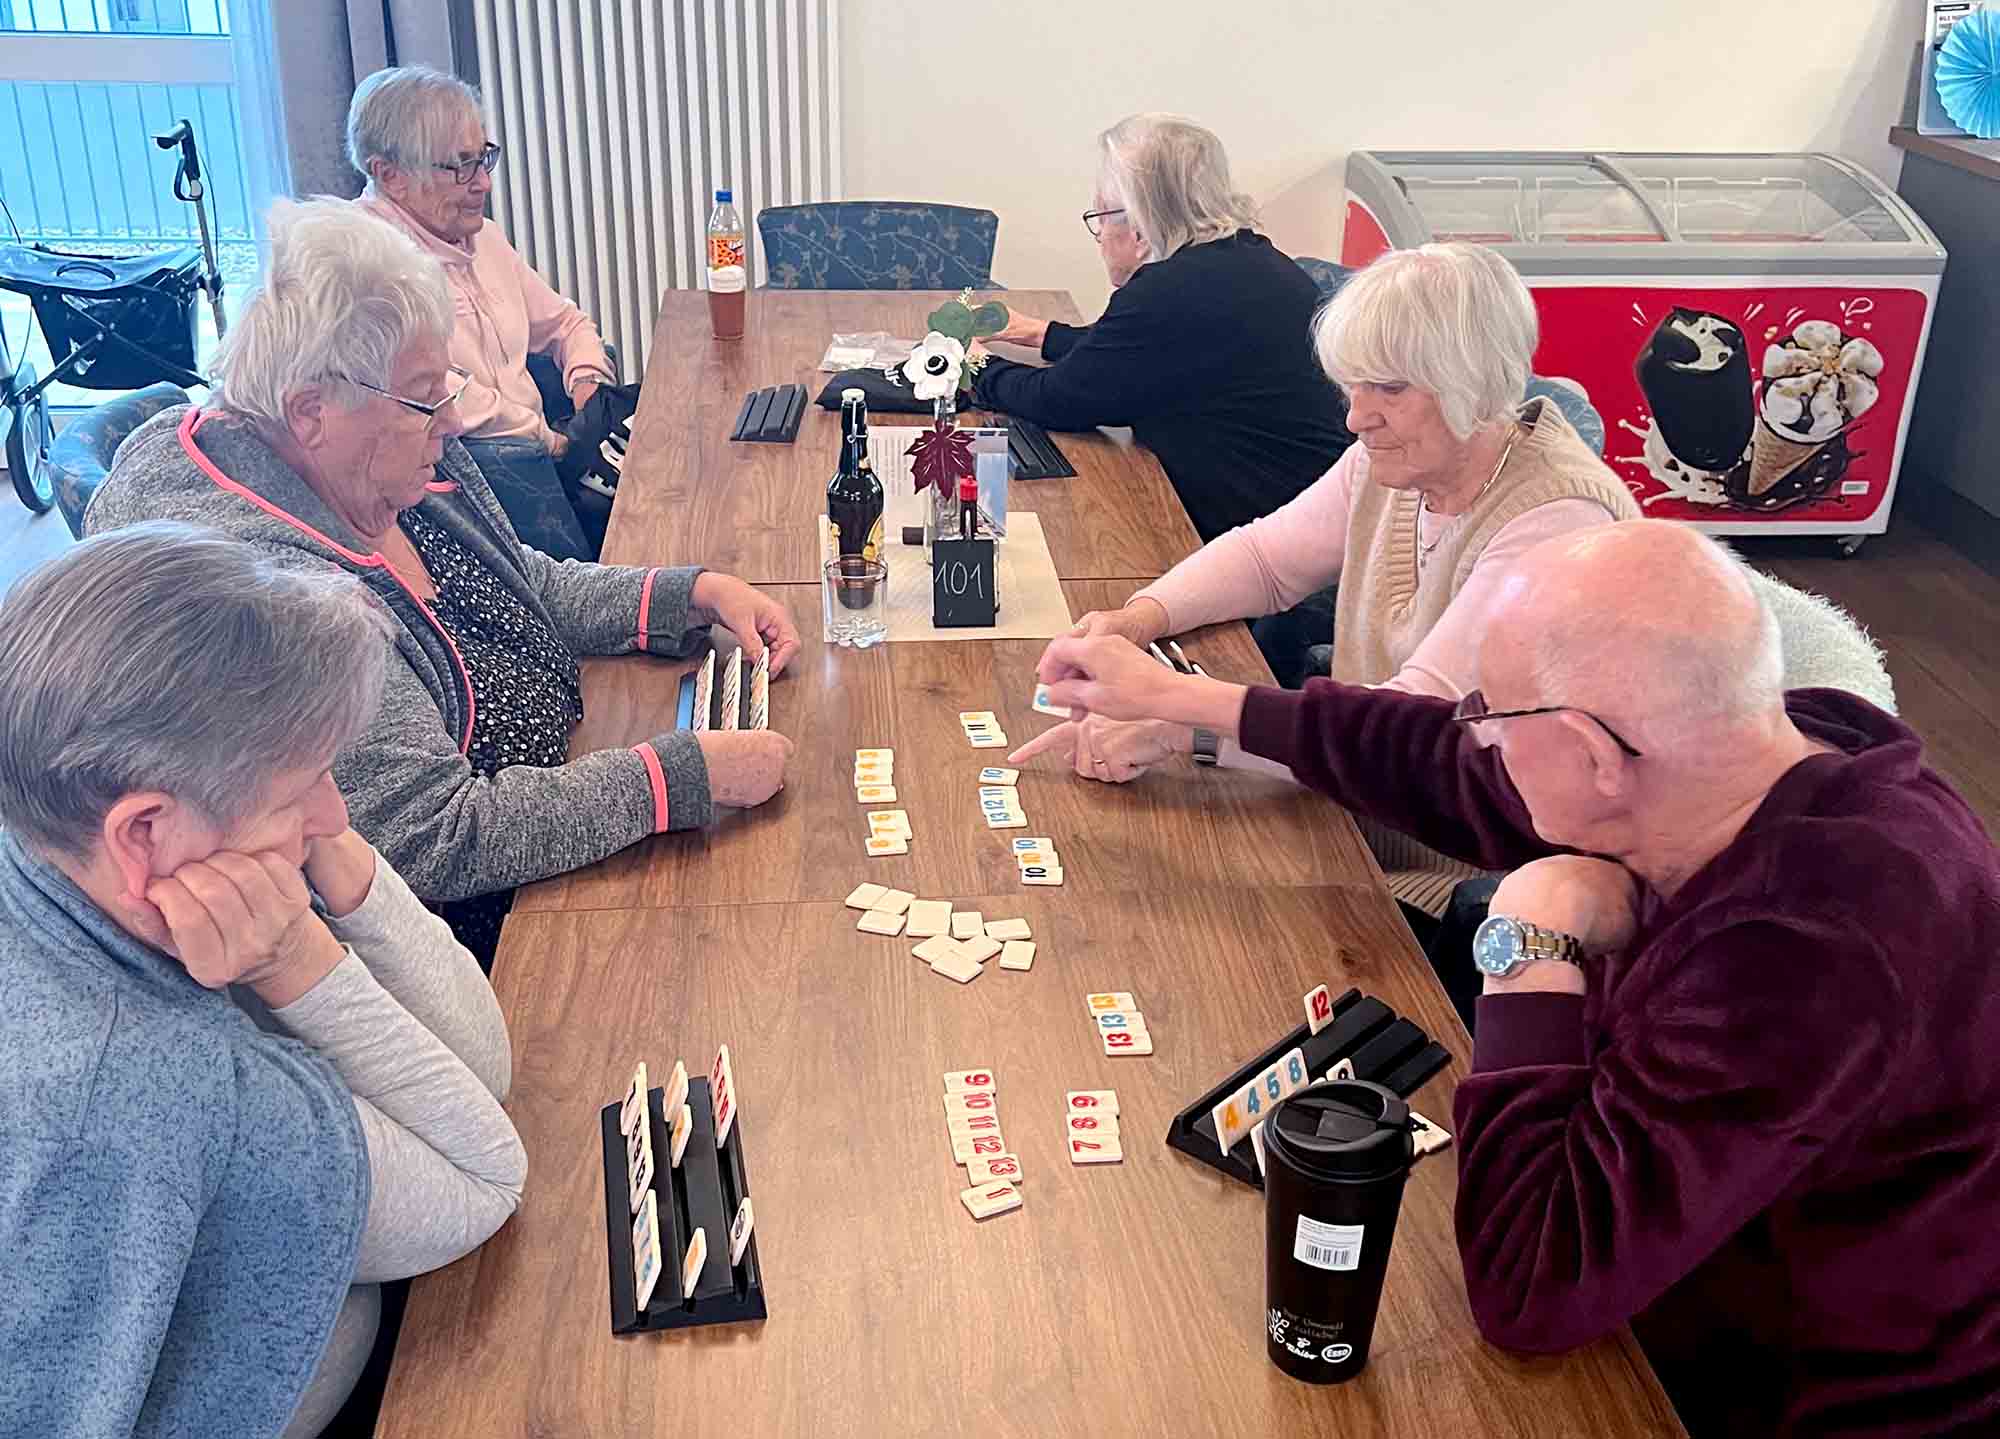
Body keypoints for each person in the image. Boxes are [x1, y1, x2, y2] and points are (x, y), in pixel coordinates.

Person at [1027, 519, 2000, 1437]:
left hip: (1789, 1388)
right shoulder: (1752, 747)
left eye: (1492, 714)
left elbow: (1531, 1280)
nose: (1474, 732)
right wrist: (1178, 699)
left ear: (1590, 753)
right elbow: (1443, 765)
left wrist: (1528, 945)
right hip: (1691, 1256)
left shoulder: (1805, 951)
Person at [87, 199, 798, 967]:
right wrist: (678, 774)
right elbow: (433, 833)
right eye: (427, 396)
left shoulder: (377, 455)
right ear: (311, 412)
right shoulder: (271, 604)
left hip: (575, 785)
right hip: (494, 930)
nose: (454, 421)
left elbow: (513, 583)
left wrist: (687, 593)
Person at [0, 525, 526, 1438]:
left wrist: (320, 844)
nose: (334, 811)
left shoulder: (57, 842)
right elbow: (482, 1176)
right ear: (144, 833)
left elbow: (484, 1060)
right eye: (304, 790)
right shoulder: (154, 1073)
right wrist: (294, 956)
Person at [1014, 242, 1638, 920]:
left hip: (1463, 876)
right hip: (1345, 802)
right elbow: (1265, 558)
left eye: (1389, 389)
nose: (1354, 417)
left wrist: (1181, 723)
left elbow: (1404, 731)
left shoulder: (1556, 519)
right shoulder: (1400, 456)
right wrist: (1138, 618)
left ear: (1475, 381)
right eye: (1353, 385)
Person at [971, 113, 1353, 549]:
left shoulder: (1167, 292)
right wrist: (1048, 335)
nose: (1099, 237)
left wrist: (977, 366)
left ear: (1136, 227)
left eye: (1100, 216)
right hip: (1310, 513)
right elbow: (1147, 358)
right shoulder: (1250, 260)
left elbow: (1059, 401)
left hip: (1260, 542)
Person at [349, 64, 622, 561]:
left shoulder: (484, 237)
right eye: (459, 167)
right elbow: (447, 401)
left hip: (550, 458)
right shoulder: (368, 268)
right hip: (495, 489)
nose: (483, 184)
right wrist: (553, 441)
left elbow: (565, 323)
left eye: (483, 159)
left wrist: (587, 388)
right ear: (390, 176)